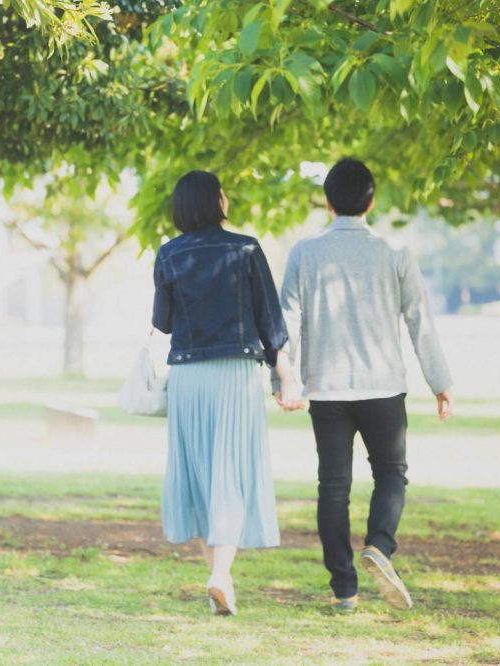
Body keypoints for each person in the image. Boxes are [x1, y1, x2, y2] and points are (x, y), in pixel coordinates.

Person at [273, 158, 454, 612]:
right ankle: (379, 546)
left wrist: (285, 379)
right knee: (391, 474)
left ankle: (345, 591)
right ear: (371, 201)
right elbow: (419, 320)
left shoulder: (305, 252)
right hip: (382, 387)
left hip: (328, 391)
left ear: (328, 203)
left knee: (333, 486)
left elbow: (286, 322)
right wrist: (440, 381)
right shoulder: (394, 250)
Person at [152, 170, 303, 616]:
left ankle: (223, 581)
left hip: (187, 378)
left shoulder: (168, 254)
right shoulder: (246, 248)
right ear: (217, 202)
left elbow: (163, 322)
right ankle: (220, 575)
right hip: (234, 374)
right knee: (231, 473)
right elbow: (270, 321)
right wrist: (286, 376)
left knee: (201, 477)